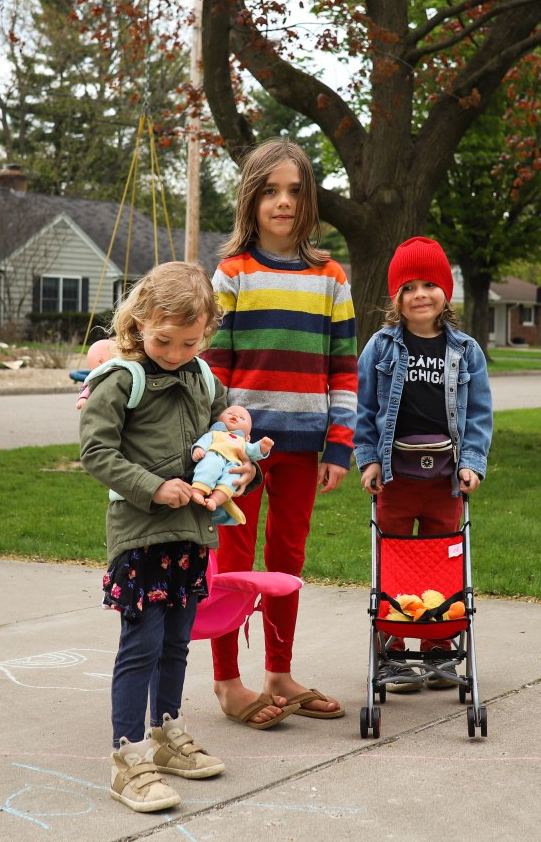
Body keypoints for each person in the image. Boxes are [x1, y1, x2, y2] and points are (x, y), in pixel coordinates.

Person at [79, 261, 260, 812]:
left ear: (206, 331)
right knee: (141, 647)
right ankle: (127, 757)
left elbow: (223, 438)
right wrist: (153, 488)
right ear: (138, 323)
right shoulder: (122, 379)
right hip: (140, 536)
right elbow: (96, 451)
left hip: (191, 534)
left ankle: (166, 733)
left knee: (177, 642)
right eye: (164, 340)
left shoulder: (203, 377)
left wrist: (242, 469)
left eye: (190, 341)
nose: (177, 352)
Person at [203, 137, 358, 728]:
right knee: (233, 560)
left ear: (309, 199)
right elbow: (213, 367)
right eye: (270, 191)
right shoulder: (233, 273)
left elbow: (344, 369)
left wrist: (339, 444)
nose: (283, 202)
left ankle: (278, 674)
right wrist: (216, 443)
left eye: (294, 191)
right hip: (236, 456)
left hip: (302, 447)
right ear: (251, 198)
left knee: (287, 560)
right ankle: (227, 683)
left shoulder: (330, 277)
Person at [354, 236, 492, 692]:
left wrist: (472, 462)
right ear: (395, 297)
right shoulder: (380, 347)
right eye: (408, 287)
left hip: (445, 481)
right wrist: (368, 460)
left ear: (445, 293)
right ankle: (392, 651)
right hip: (394, 479)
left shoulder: (466, 350)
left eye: (429, 285)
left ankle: (439, 647)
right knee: (393, 562)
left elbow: (478, 414)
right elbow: (364, 409)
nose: (420, 295)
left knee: (441, 562)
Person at [191, 405, 273, 525]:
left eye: (242, 418)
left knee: (232, 481)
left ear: (248, 437)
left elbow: (253, 451)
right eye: (230, 413)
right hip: (215, 455)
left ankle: (215, 500)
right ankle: (197, 491)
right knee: (209, 467)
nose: (235, 416)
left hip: (233, 466)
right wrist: (199, 448)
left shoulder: (243, 442)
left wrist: (262, 447)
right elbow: (204, 440)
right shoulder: (215, 433)